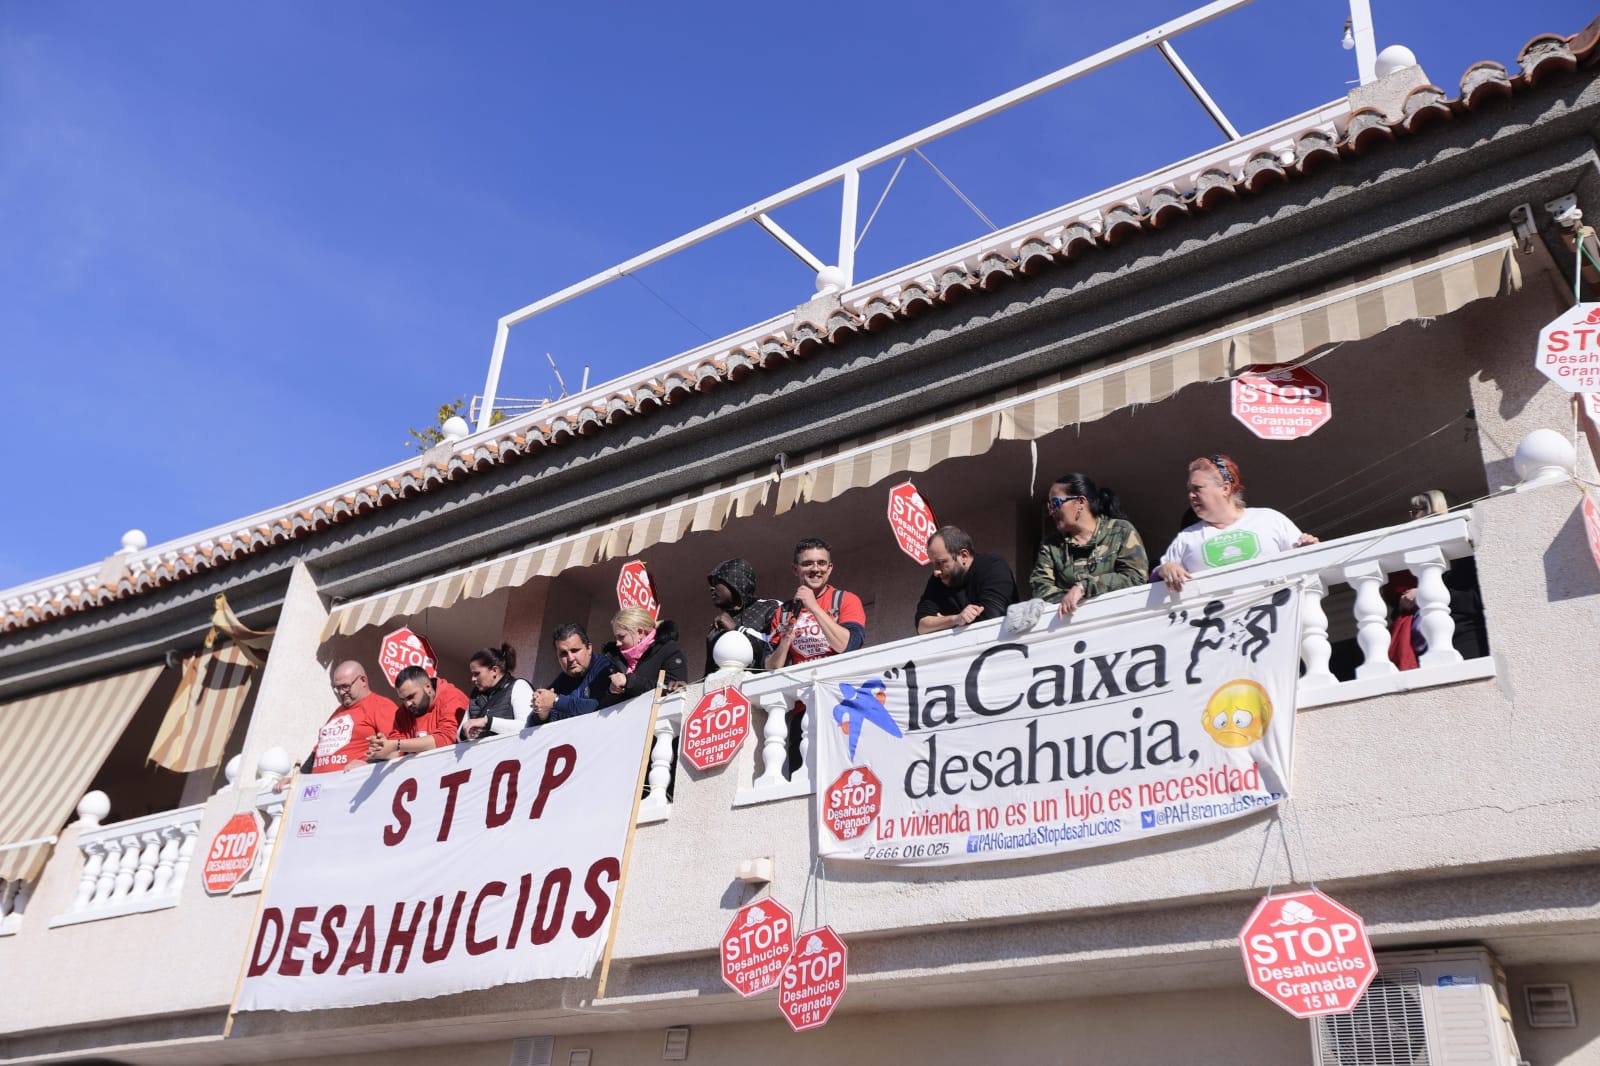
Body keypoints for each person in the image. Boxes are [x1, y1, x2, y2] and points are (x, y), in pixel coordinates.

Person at [1156, 455, 1318, 593]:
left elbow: (1308, 565)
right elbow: (1155, 580)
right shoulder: (1186, 538)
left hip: (1275, 618)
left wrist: (1307, 549)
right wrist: (1165, 569)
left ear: (1225, 488)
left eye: (1197, 488)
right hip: (1216, 624)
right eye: (1189, 490)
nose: (1191, 495)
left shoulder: (1269, 519)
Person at [1385, 490, 1488, 668]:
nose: (1413, 517)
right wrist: (1404, 603)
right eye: (1413, 511)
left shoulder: (1465, 555)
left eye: (1419, 510)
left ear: (1439, 510)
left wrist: (1425, 594)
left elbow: (1476, 599)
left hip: (1462, 644)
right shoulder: (1416, 555)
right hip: (1420, 649)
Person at [1029, 473, 1150, 619]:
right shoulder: (1051, 546)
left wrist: (1084, 588)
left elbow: (1135, 577)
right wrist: (1072, 601)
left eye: (1056, 503)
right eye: (1049, 506)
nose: (1051, 511)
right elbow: (1040, 588)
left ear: (1080, 502)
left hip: (1119, 619)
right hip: (1072, 623)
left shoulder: (1121, 531)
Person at [766, 538, 867, 669]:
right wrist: (784, 644)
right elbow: (768, 667)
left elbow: (849, 646)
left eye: (821, 563)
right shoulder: (784, 611)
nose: (815, 569)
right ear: (795, 569)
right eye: (808, 564)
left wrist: (814, 607)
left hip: (839, 684)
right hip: (801, 685)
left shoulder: (846, 599)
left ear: (829, 568)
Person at [298, 661, 406, 779]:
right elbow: (319, 750)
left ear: (363, 680)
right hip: (317, 787)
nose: (341, 692)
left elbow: (398, 747)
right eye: (337, 688)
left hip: (352, 784)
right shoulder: (338, 712)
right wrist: (298, 778)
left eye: (345, 686)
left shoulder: (380, 706)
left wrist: (368, 765)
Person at [915, 526, 1019, 634]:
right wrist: (955, 619)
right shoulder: (936, 581)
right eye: (933, 564)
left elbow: (990, 618)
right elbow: (921, 626)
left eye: (941, 562)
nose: (936, 572)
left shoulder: (993, 567)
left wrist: (940, 622)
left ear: (964, 555)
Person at [369, 666, 470, 760]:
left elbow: (446, 740)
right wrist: (383, 750)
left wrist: (396, 745)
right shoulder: (403, 712)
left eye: (411, 697)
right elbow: (398, 752)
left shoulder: (452, 697)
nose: (407, 704)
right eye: (403, 699)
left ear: (427, 687)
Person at [599, 607, 688, 707]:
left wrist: (630, 681)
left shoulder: (669, 650)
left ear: (640, 632)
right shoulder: (615, 659)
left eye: (622, 637)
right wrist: (612, 692)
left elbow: (674, 691)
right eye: (616, 638)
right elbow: (603, 707)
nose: (618, 643)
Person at [705, 558, 780, 673]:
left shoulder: (771, 607)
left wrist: (735, 628)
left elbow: (778, 649)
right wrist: (684, 688)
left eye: (716, 582)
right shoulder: (716, 627)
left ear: (735, 583)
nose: (711, 588)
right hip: (728, 690)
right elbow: (710, 674)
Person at [530, 623, 610, 724]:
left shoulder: (605, 668)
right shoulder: (563, 679)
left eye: (575, 650)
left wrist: (557, 700)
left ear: (589, 648)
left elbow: (598, 707)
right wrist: (543, 713)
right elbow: (532, 723)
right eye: (563, 654)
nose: (570, 658)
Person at [459, 644, 533, 741]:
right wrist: (466, 733)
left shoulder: (519, 686)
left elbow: (528, 726)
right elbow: (460, 734)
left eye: (477, 674)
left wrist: (488, 722)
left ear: (494, 670)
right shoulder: (475, 695)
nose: (472, 679)